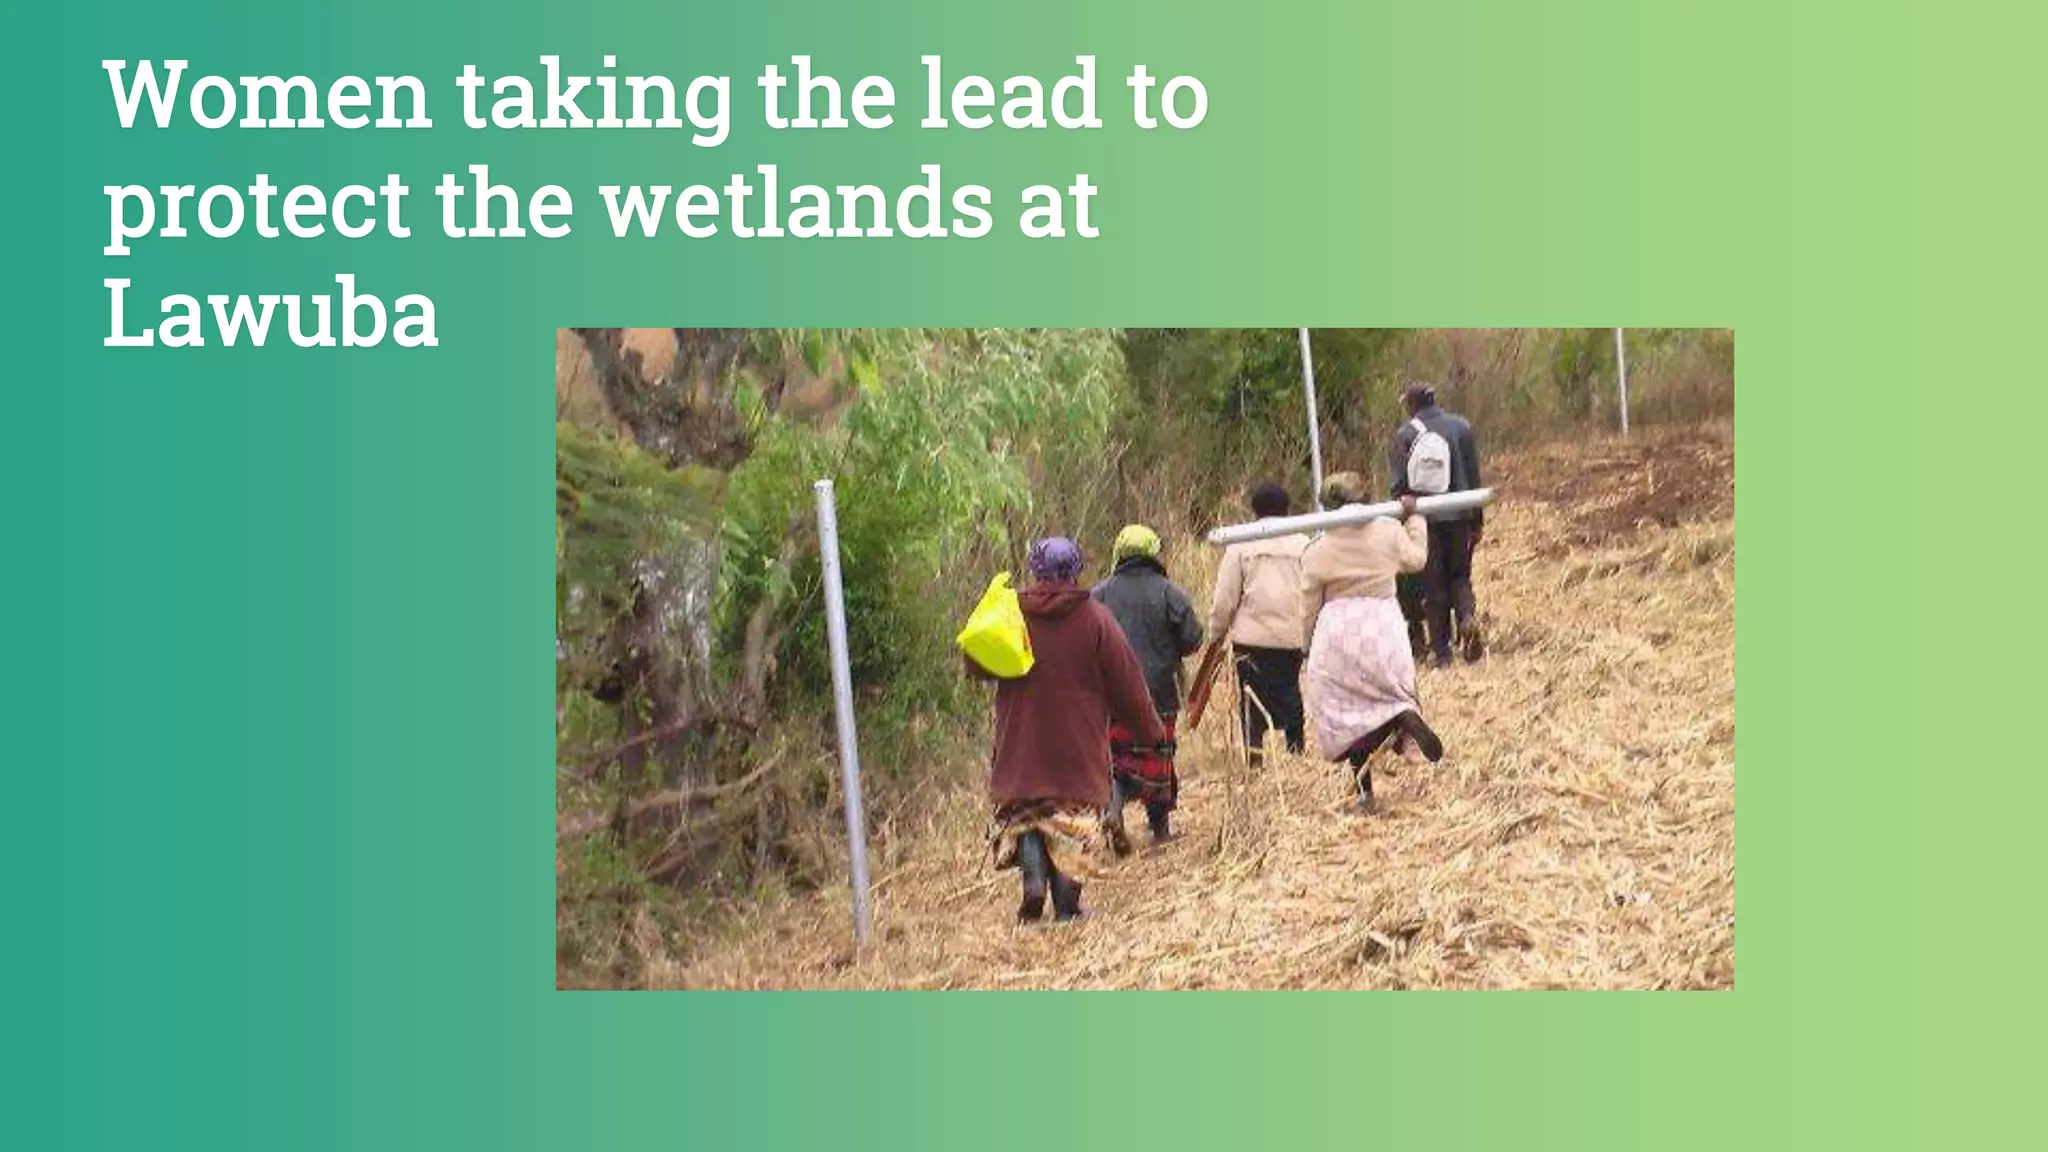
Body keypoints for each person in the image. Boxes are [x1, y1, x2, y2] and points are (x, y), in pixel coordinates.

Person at [973, 537, 1165, 923]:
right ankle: (1067, 905)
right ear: (1076, 571)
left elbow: (978, 663)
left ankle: (1033, 876)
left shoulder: (1013, 615)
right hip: (1076, 749)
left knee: (1029, 814)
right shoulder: (1095, 618)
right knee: (1075, 825)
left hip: (1021, 747)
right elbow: (1127, 684)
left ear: (1035, 570)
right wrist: (1151, 732)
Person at [1299, 473, 1446, 811]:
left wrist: (1305, 643)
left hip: (1338, 630)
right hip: (1382, 623)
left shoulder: (1318, 549)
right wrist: (1415, 518)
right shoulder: (1387, 531)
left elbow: (1307, 604)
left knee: (1346, 711)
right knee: (1392, 689)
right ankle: (1404, 717)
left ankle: (1365, 790)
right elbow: (1416, 560)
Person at [1092, 524, 1204, 851]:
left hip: (1110, 697)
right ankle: (1160, 829)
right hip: (1159, 694)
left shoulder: (1098, 595)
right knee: (1158, 759)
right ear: (1154, 552)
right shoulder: (1170, 592)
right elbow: (1193, 638)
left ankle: (1113, 808)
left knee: (1116, 759)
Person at [1207, 482, 1312, 765]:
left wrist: (1216, 632)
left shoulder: (1240, 544)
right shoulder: (1303, 543)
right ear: (1287, 508)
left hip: (1251, 640)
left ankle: (1255, 759)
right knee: (1290, 691)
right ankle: (1296, 751)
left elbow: (1225, 599)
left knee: (1250, 701)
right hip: (1292, 636)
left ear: (1254, 510)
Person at [1388, 382, 1486, 666]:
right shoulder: (1461, 427)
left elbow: (1399, 487)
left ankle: (1442, 653)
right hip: (1460, 516)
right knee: (1460, 575)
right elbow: (1473, 476)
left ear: (1411, 405)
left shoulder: (1405, 435)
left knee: (1434, 585)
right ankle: (1467, 616)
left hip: (1425, 520)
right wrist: (1477, 520)